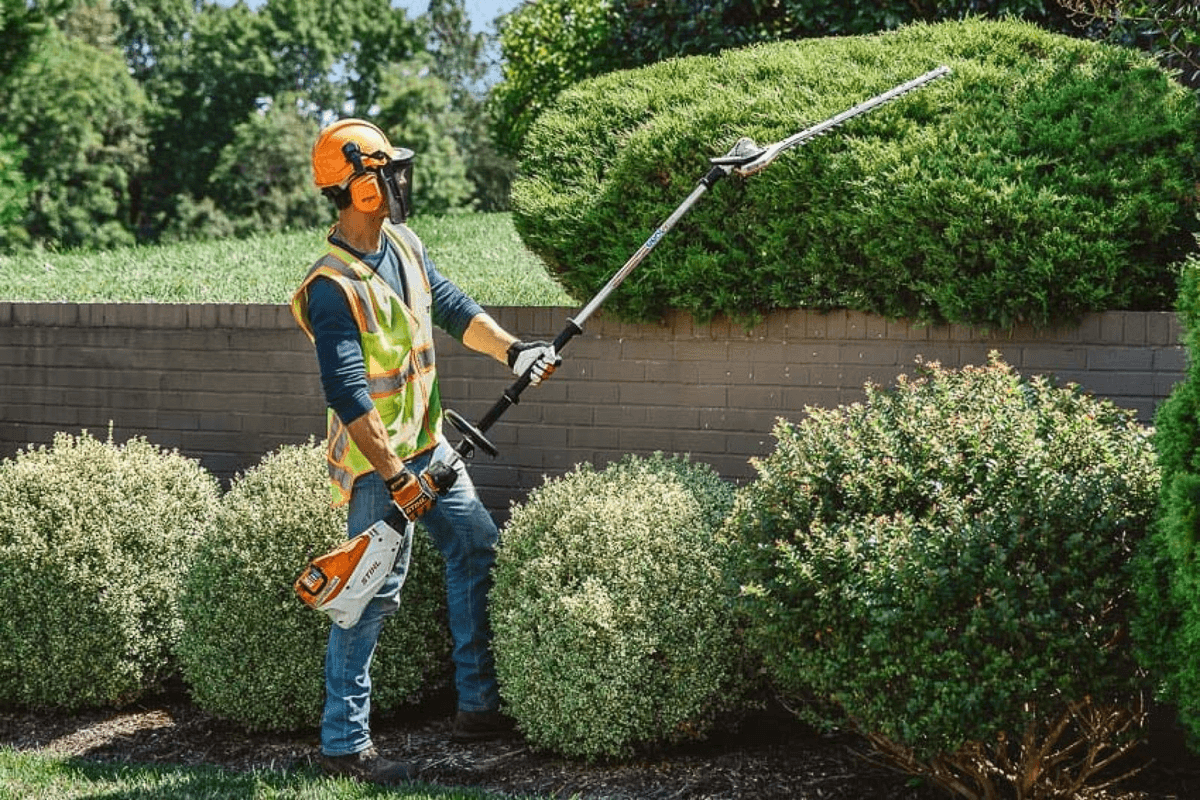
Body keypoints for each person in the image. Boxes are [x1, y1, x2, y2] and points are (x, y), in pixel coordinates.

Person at [290, 118, 559, 785]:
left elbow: (452, 307)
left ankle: (478, 707)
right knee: (370, 592)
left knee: (474, 546)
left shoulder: (405, 245)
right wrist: (394, 476)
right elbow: (349, 396)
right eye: (389, 171)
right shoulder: (331, 286)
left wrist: (515, 351)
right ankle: (343, 743)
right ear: (359, 189)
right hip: (378, 466)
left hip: (429, 445)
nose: (401, 181)